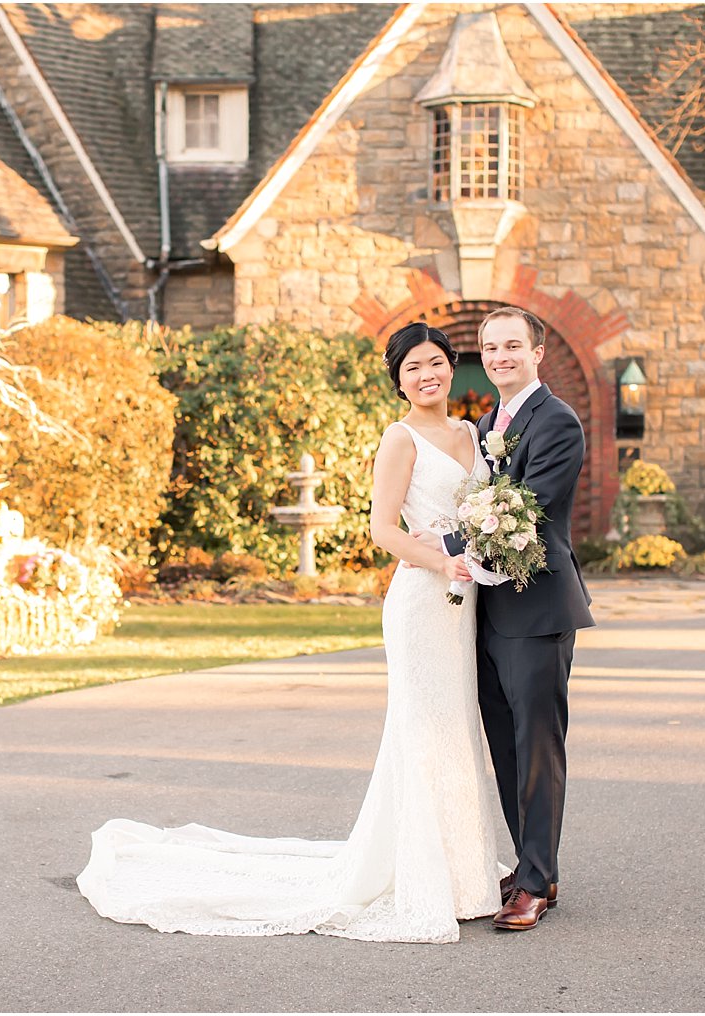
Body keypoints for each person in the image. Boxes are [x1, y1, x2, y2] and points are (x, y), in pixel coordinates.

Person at [75, 322, 511, 943]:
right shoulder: (400, 438)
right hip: (423, 598)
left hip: (464, 601)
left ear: (452, 366)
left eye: (436, 363)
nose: (428, 375)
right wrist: (442, 561)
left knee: (455, 728)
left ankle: (465, 875)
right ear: (398, 381)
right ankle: (421, 876)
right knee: (421, 731)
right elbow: (381, 530)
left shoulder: (472, 433)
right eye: (413, 367)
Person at [425, 307, 594, 931]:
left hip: (538, 607)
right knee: (504, 743)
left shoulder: (557, 422)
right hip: (488, 611)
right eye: (490, 347)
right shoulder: (488, 422)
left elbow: (524, 514)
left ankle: (537, 883)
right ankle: (531, 867)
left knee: (538, 747)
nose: (499, 357)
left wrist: (442, 547)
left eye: (512, 346)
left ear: (537, 351)